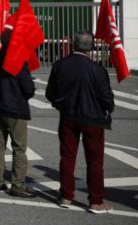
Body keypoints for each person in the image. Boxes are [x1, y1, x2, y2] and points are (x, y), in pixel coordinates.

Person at [46, 31, 115, 214]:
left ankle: (66, 196)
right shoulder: (97, 69)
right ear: (90, 47)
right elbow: (107, 99)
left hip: (68, 116)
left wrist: (60, 105)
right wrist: (108, 108)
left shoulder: (60, 65)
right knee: (95, 161)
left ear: (73, 45)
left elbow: (50, 93)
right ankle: (96, 201)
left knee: (67, 157)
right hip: (93, 119)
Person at [0, 30, 36, 197]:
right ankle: (17, 184)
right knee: (19, 148)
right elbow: (28, 87)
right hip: (15, 108)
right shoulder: (18, 58)